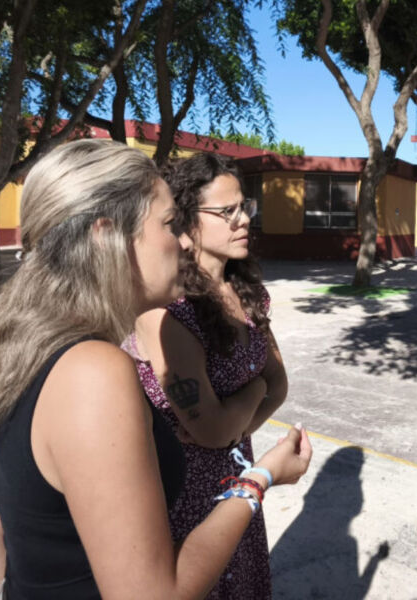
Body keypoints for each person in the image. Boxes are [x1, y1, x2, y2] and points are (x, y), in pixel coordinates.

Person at [0, 139, 311, 600]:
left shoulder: (3, 348)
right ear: (106, 236)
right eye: (167, 223)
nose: (182, 240)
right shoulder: (93, 370)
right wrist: (259, 479)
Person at [124, 152, 286, 599]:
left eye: (244, 207)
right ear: (187, 222)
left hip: (237, 477)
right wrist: (252, 392)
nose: (243, 220)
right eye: (225, 211)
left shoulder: (249, 292)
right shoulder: (167, 309)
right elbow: (217, 423)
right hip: (183, 495)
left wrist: (231, 426)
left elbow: (280, 387)